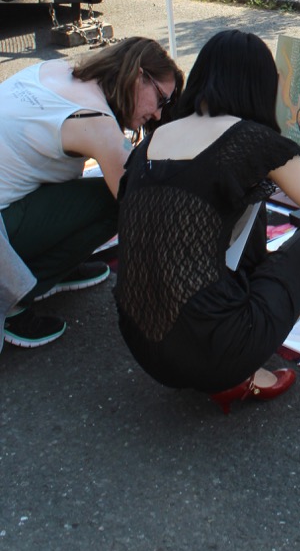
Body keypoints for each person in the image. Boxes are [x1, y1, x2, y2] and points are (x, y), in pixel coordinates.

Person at [113, 30, 300, 414]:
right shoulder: (252, 140)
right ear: (260, 86)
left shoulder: (151, 143)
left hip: (143, 345)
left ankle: (235, 347)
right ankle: (241, 368)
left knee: (246, 212)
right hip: (213, 352)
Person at [0, 36, 182, 350]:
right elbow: (141, 212)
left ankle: (58, 264)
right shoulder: (96, 124)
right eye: (161, 100)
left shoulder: (63, 70)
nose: (157, 115)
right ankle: (18, 297)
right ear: (139, 76)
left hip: (10, 205)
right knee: (117, 202)